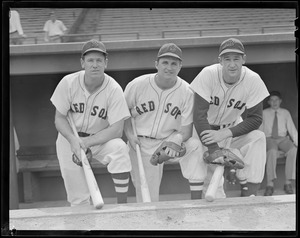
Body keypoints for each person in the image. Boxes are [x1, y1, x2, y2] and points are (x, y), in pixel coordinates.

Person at [50, 39, 132, 206]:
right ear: (83, 63)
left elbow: (117, 130)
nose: (95, 65)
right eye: (90, 60)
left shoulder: (114, 89)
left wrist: (86, 142)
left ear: (105, 63)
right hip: (69, 140)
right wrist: (74, 141)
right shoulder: (68, 83)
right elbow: (59, 118)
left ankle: (122, 206)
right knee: (78, 199)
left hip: (98, 139)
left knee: (119, 148)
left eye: (99, 60)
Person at [124, 43, 205, 202]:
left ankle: (196, 202)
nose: (169, 67)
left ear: (180, 66)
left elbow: (187, 130)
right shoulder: (137, 85)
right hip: (142, 143)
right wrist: (129, 134)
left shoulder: (187, 92)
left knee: (195, 145)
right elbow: (123, 113)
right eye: (165, 62)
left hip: (170, 140)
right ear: (156, 64)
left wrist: (175, 141)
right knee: (147, 198)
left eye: (174, 63)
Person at [190, 38, 270, 197]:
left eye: (236, 58)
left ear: (244, 60)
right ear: (220, 61)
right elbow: (199, 117)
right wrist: (214, 150)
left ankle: (251, 194)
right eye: (227, 59)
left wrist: (225, 133)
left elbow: (255, 119)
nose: (232, 64)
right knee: (214, 190)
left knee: (258, 138)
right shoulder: (208, 74)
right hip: (204, 132)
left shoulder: (253, 80)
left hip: (231, 129)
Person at [260, 91, 297, 196]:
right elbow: (260, 130)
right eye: (272, 100)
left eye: (276, 100)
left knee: (293, 150)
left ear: (280, 101)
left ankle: (287, 183)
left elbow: (292, 130)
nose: (274, 102)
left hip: (282, 139)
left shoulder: (285, 113)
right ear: (269, 102)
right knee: (272, 152)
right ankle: (269, 184)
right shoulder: (264, 113)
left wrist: (297, 142)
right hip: (269, 138)